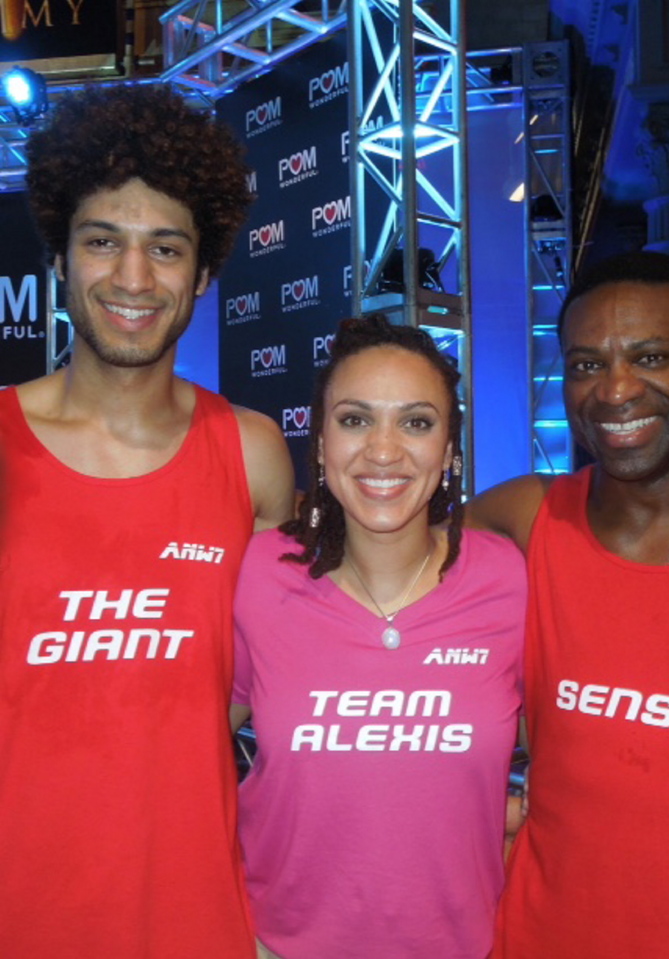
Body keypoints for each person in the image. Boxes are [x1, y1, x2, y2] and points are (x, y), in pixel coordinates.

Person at [0, 85, 295, 958]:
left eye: (165, 249)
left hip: (199, 920)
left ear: (203, 274)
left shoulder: (252, 454)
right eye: (103, 243)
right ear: (58, 259)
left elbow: (283, 671)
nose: (134, 280)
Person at [469, 251, 669, 958]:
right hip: (538, 936)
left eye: (649, 356)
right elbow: (382, 592)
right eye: (586, 364)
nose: (615, 390)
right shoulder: (527, 519)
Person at [230, 315, 526, 959]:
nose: (384, 450)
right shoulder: (258, 573)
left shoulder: (508, 579)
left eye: (416, 422)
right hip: (277, 943)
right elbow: (188, 748)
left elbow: (570, 751)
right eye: (355, 419)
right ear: (321, 441)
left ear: (450, 448)